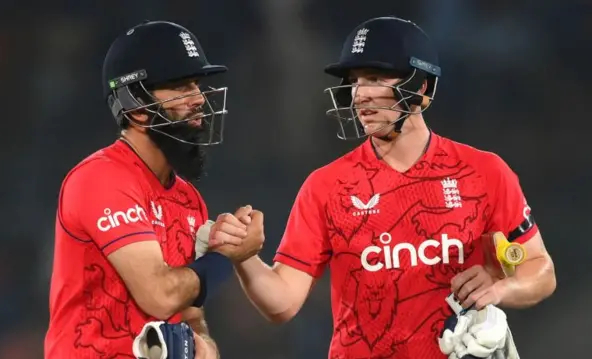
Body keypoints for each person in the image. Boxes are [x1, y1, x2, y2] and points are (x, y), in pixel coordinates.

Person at [232, 17, 556, 358]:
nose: (360, 94)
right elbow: (282, 303)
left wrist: (503, 288)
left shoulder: (485, 172)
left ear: (422, 88)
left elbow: (540, 270)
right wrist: (245, 258)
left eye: (375, 77)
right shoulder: (325, 187)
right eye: (355, 81)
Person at [44, 20, 264, 359]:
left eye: (197, 84)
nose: (199, 99)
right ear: (136, 105)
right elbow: (160, 295)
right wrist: (226, 256)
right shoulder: (102, 178)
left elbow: (188, 313)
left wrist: (204, 346)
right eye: (180, 87)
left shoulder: (189, 199)